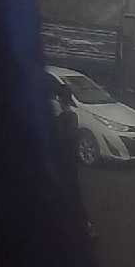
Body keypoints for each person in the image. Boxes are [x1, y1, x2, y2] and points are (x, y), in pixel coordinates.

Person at [49, 77, 94, 239]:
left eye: (57, 98)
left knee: (70, 195)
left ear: (60, 99)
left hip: (66, 163)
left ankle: (84, 227)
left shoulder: (67, 117)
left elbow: (64, 138)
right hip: (66, 163)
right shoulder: (67, 116)